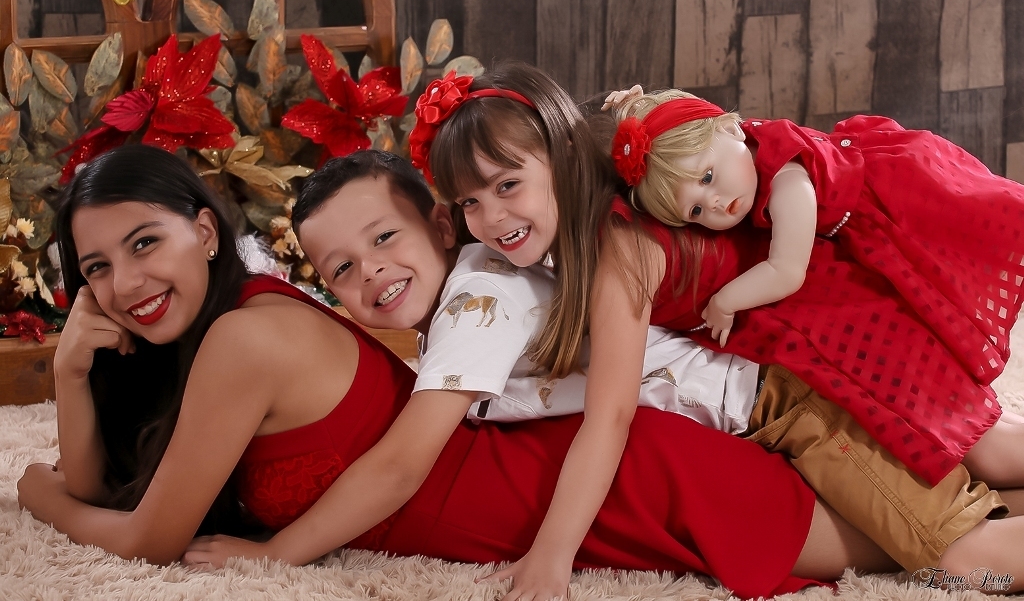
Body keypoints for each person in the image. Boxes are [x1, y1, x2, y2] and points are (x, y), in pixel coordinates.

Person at [16, 145, 891, 600]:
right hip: (548, 485)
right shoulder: (233, 325)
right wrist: (70, 372)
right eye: (96, 269)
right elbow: (112, 492)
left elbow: (146, 538)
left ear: (205, 232)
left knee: (925, 545)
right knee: (911, 526)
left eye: (145, 243)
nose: (126, 283)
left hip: (628, 481)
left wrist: (37, 495)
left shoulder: (247, 340)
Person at [411, 63, 1024, 597]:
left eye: (508, 185)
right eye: (469, 203)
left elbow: (610, 416)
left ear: (564, 156)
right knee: (987, 461)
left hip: (809, 390)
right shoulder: (610, 202)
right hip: (815, 357)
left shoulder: (619, 250)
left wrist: (551, 554)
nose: (490, 217)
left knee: (965, 565)